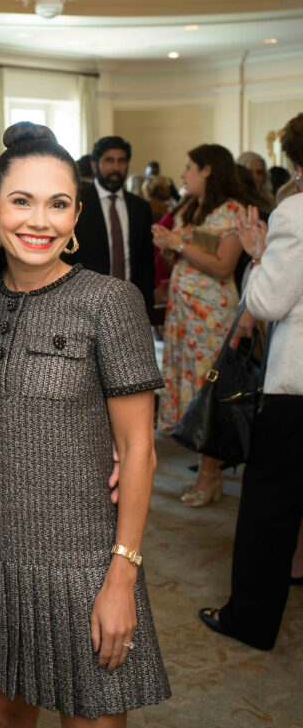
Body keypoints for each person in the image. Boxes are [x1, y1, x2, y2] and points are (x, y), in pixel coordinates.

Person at [0, 122, 169, 728]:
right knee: (4, 727)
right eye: (22, 202)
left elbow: (140, 450)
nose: (39, 220)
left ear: (76, 217)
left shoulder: (109, 302)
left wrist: (121, 576)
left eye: (58, 204)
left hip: (83, 567)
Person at [199, 115, 303, 649]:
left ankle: (251, 619)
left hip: (296, 386)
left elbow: (267, 302)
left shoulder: (295, 210)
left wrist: (260, 254)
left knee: (269, 506)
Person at [152, 144, 245, 506]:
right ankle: (208, 472)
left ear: (208, 170)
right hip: (185, 316)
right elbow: (194, 255)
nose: (183, 173)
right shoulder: (192, 209)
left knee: (211, 394)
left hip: (212, 316)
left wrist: (179, 242)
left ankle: (210, 476)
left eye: (189, 166)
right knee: (192, 388)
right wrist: (169, 247)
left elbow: (222, 265)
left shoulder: (232, 211)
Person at [65, 135, 155, 313]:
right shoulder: (77, 204)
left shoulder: (140, 207)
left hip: (131, 305)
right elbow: (67, 257)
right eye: (109, 160)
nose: (116, 167)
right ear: (94, 164)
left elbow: (146, 262)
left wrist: (147, 308)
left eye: (121, 161)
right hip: (85, 305)